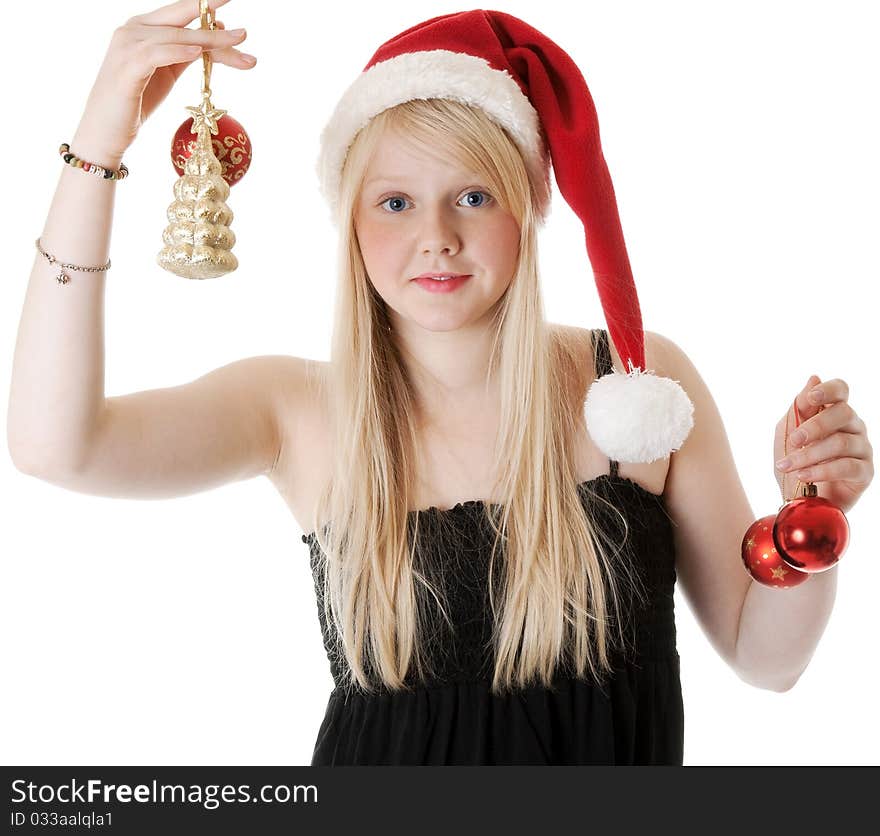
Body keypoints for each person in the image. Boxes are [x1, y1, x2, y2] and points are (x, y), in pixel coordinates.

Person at [8, 0, 873, 766]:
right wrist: (97, 146)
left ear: (528, 207)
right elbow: (55, 446)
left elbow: (770, 661)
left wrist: (813, 516)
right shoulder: (295, 410)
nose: (436, 238)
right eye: (394, 203)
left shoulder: (639, 383)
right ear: (349, 221)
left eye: (471, 197)